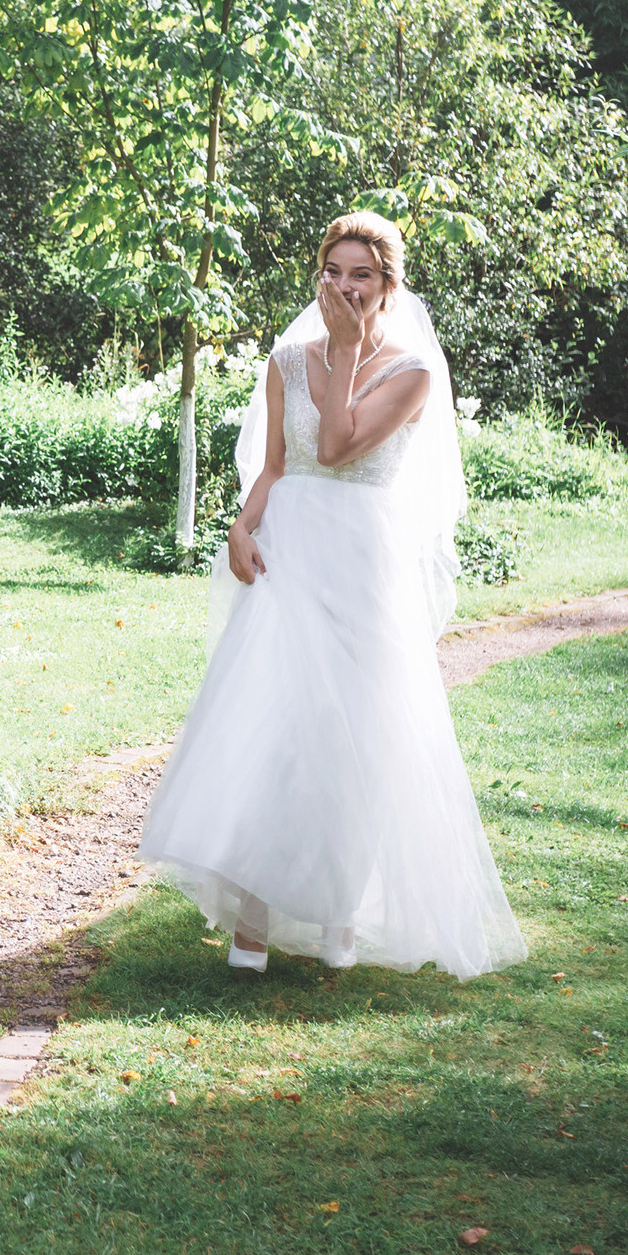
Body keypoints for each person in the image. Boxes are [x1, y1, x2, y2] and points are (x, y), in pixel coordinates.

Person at [139, 211, 526, 980]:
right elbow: (279, 465)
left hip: (362, 566)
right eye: (334, 271)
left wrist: (348, 352)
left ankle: (338, 915)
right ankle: (250, 924)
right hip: (290, 556)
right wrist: (241, 527)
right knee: (274, 728)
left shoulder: (411, 371)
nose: (344, 287)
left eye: (362, 275)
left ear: (389, 285)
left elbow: (343, 444)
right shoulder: (287, 359)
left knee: (354, 740)